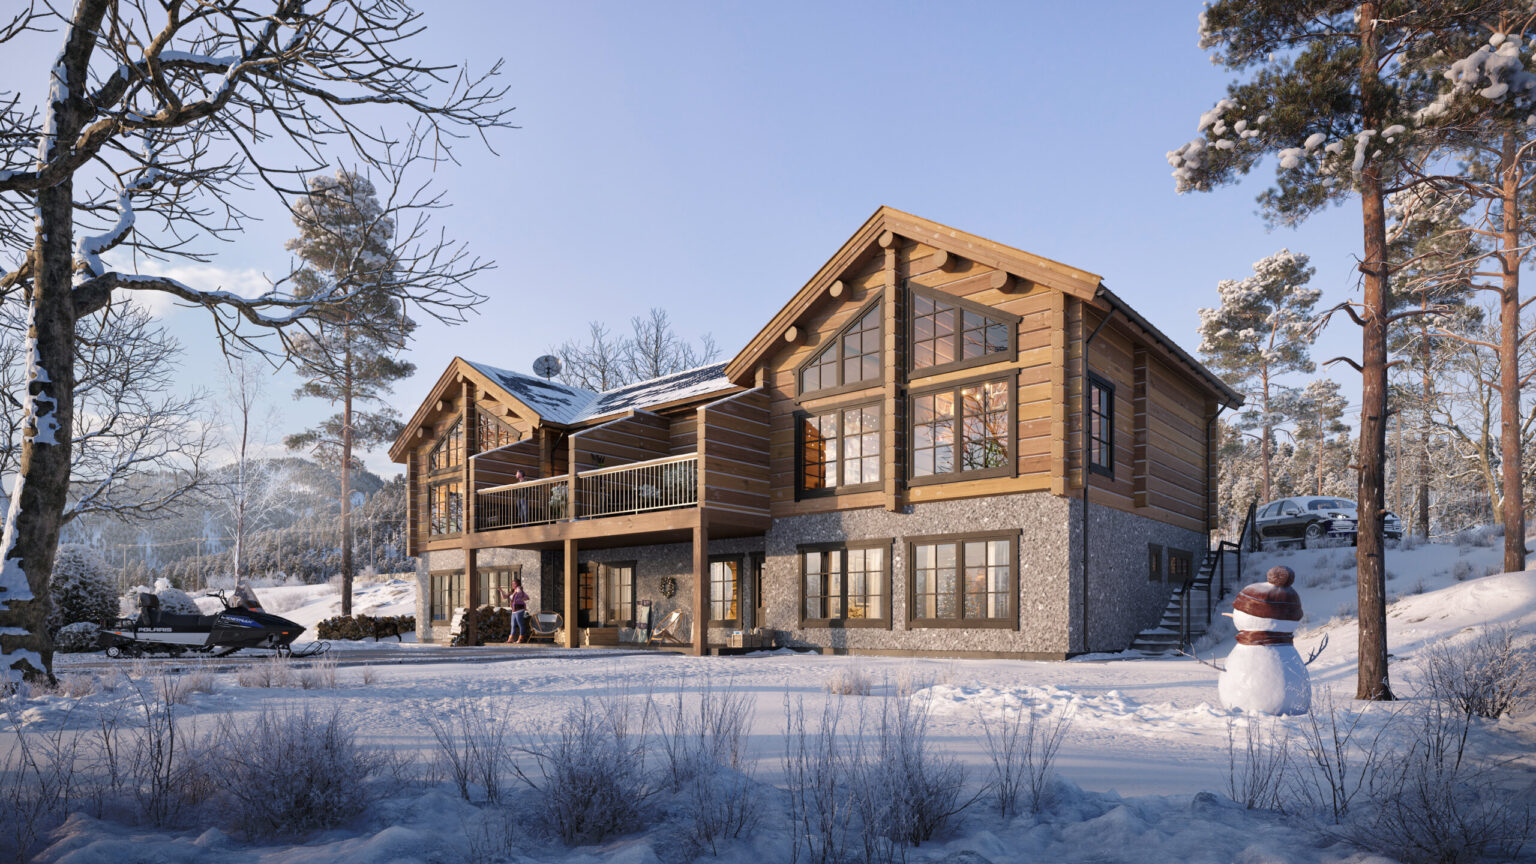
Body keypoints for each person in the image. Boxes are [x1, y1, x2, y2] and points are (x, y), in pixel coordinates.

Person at [500, 578, 530, 644]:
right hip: (514, 610)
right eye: (512, 583)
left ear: (518, 584)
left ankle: (521, 638)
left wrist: (521, 599)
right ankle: (511, 639)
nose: (513, 585)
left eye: (514, 583)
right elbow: (504, 597)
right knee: (513, 624)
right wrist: (501, 591)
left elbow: (527, 597)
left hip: (519, 609)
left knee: (520, 624)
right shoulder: (512, 592)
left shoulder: (520, 590)